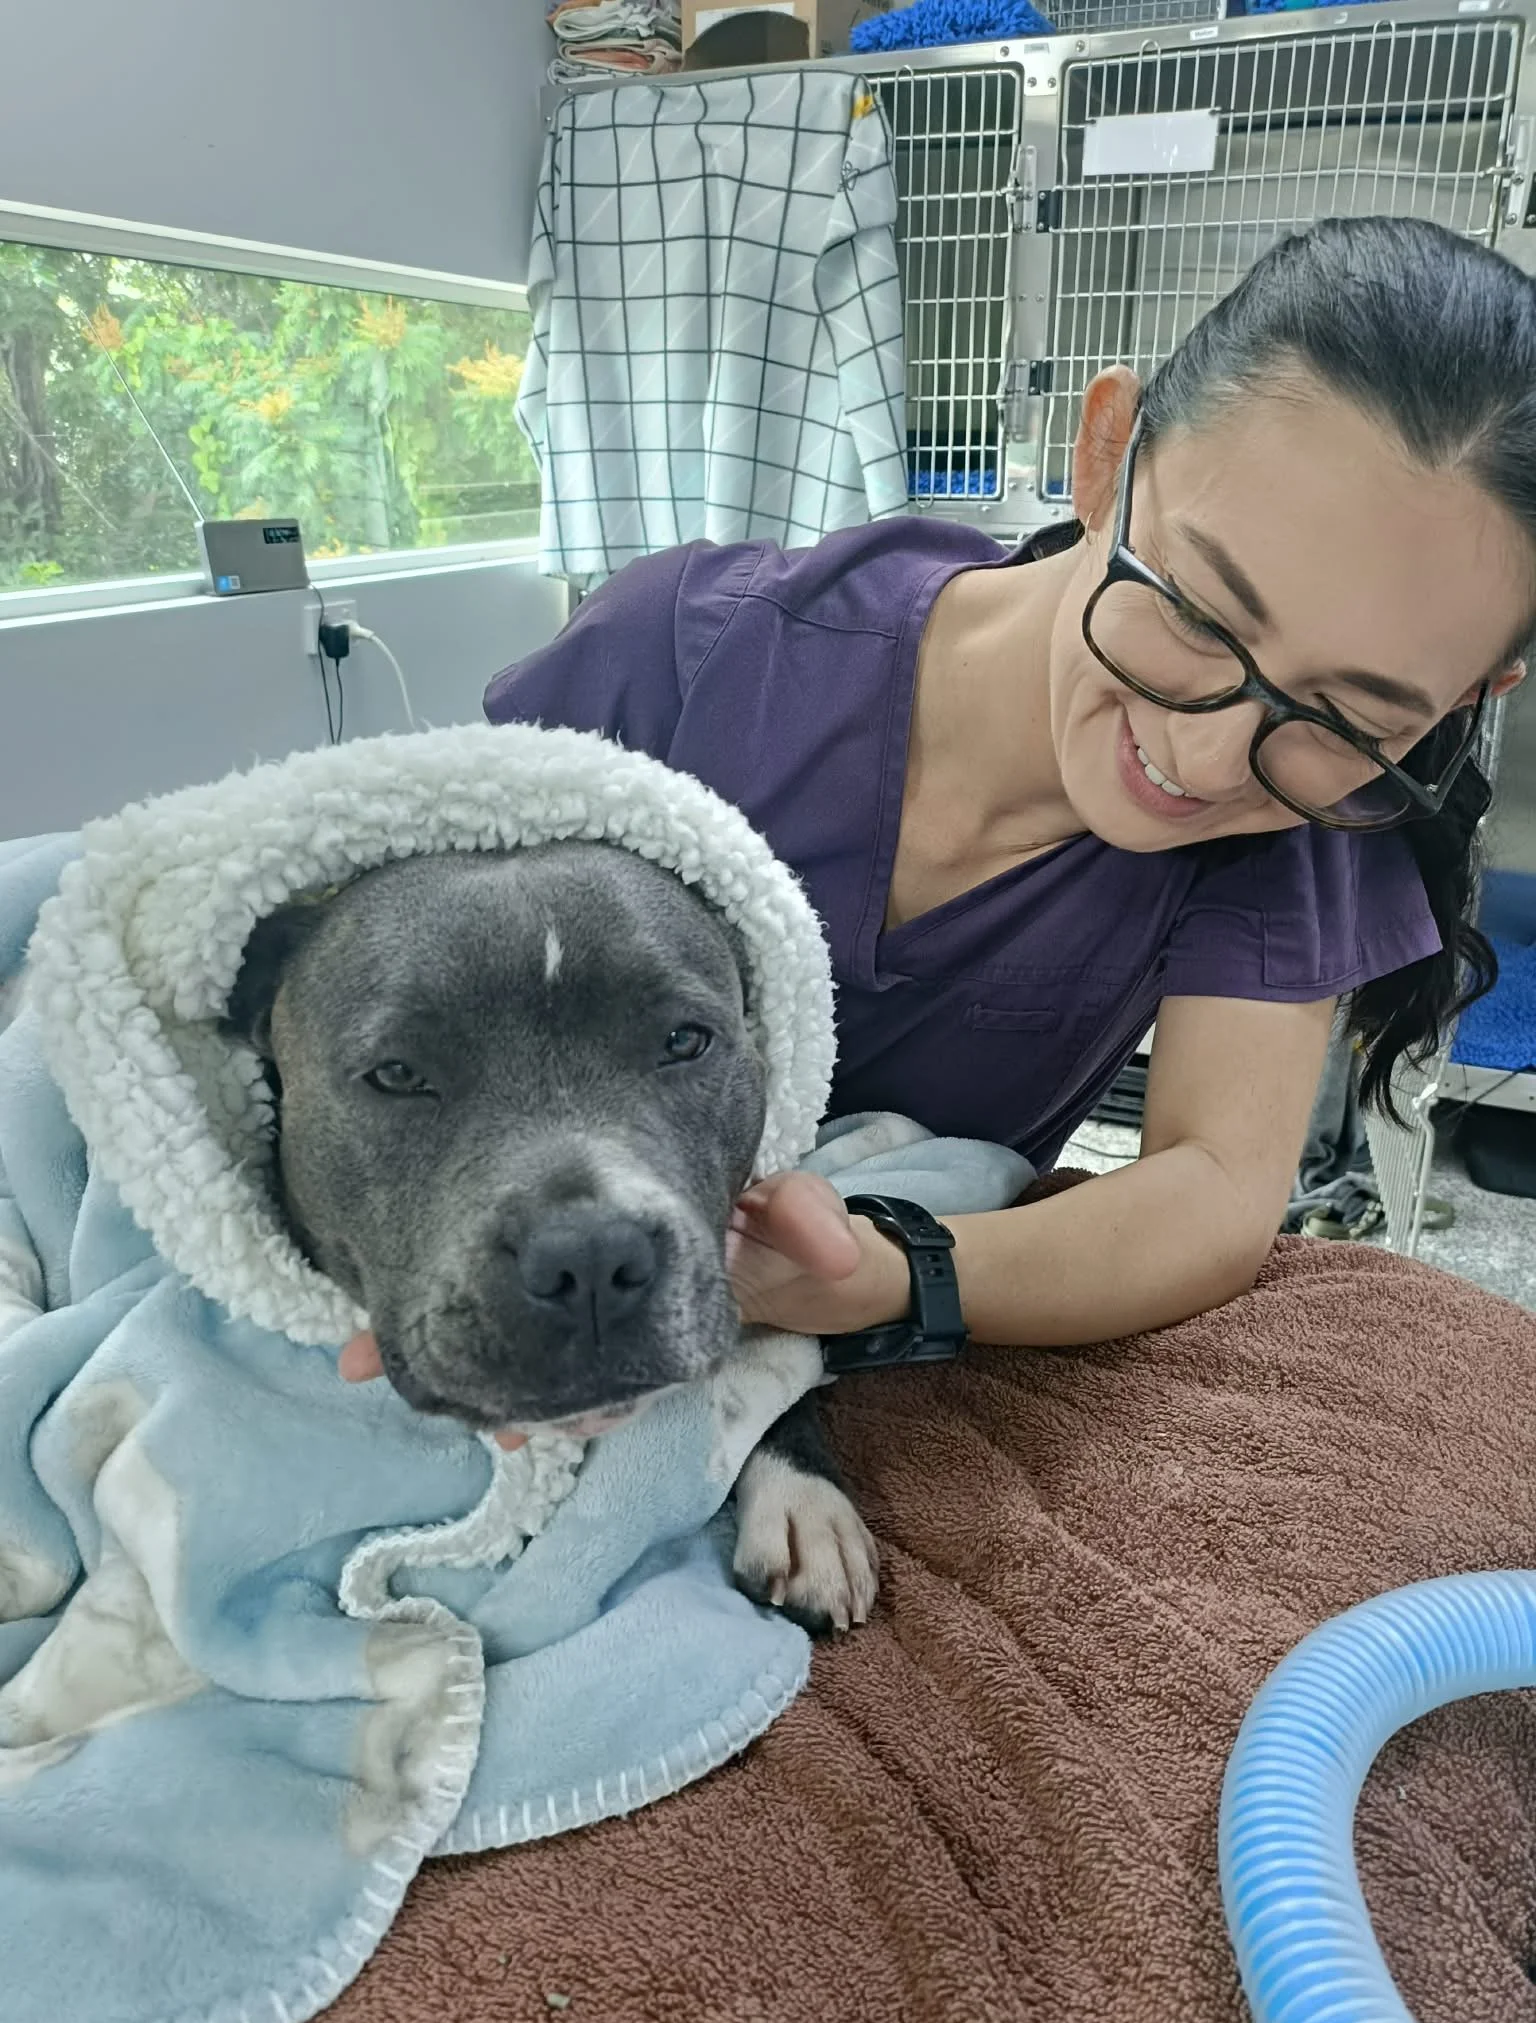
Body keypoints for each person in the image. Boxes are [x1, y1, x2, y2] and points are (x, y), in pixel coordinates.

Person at [473, 215, 1535, 1366]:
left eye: (1352, 718)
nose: (1215, 755)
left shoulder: (1300, 828)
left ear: (1473, 691)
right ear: (1105, 451)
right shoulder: (685, 656)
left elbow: (1216, 1190)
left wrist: (885, 1271)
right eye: (1195, 613)